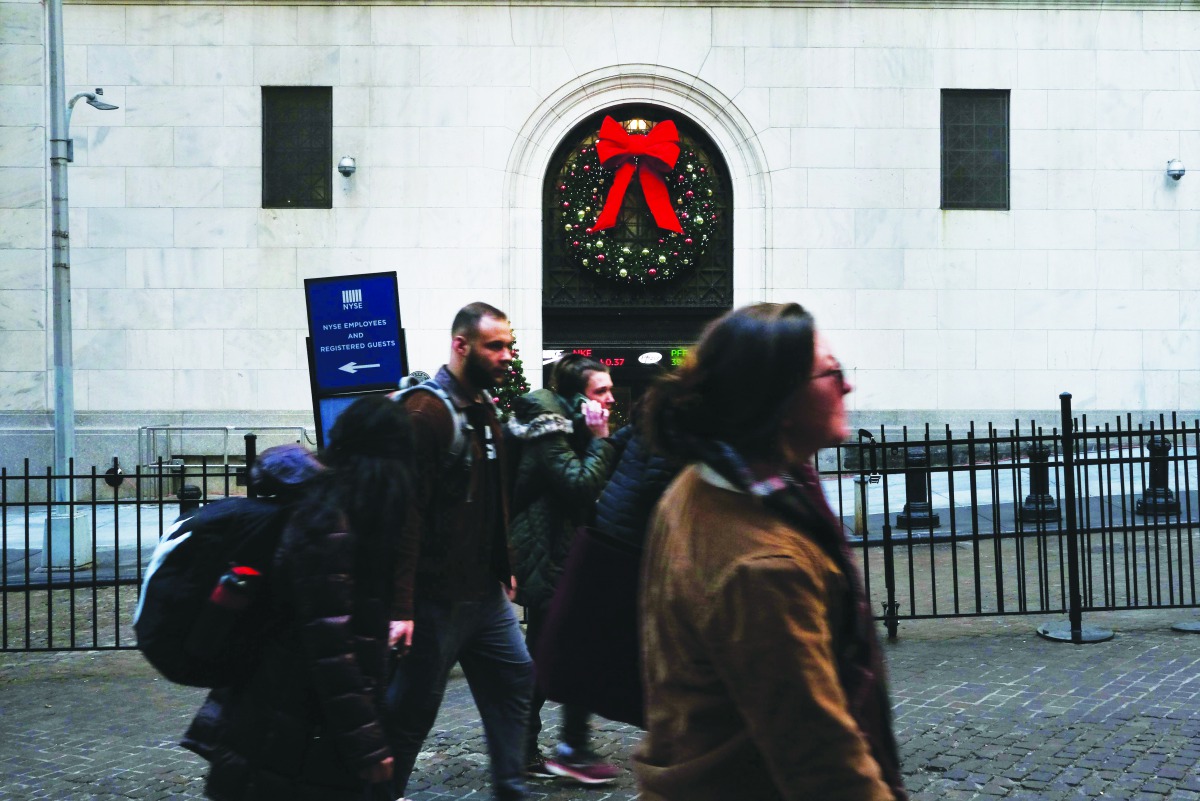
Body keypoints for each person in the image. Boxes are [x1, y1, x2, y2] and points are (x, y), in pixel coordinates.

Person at [635, 302, 908, 801]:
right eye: (833, 373)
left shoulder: (705, 483)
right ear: (779, 404)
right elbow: (821, 760)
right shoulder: (762, 568)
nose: (847, 386)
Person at [187, 396, 414, 801]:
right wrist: (369, 745)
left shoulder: (343, 510)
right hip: (287, 725)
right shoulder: (332, 522)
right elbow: (332, 651)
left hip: (292, 722)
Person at [384, 302, 534, 801]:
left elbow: (495, 498)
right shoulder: (426, 413)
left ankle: (510, 787)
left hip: (483, 598)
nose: (506, 355)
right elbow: (404, 515)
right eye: (496, 345)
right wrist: (401, 607)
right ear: (461, 346)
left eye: (509, 345)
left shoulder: (485, 408)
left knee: (515, 680)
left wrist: (505, 567)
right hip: (434, 600)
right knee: (411, 715)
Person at [505, 353, 618, 784]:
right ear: (576, 398)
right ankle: (540, 745)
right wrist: (601, 438)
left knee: (555, 651)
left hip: (563, 553)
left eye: (610, 390)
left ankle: (547, 743)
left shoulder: (569, 427)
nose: (608, 399)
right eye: (600, 392)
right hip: (546, 555)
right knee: (549, 654)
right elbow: (580, 486)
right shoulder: (551, 430)